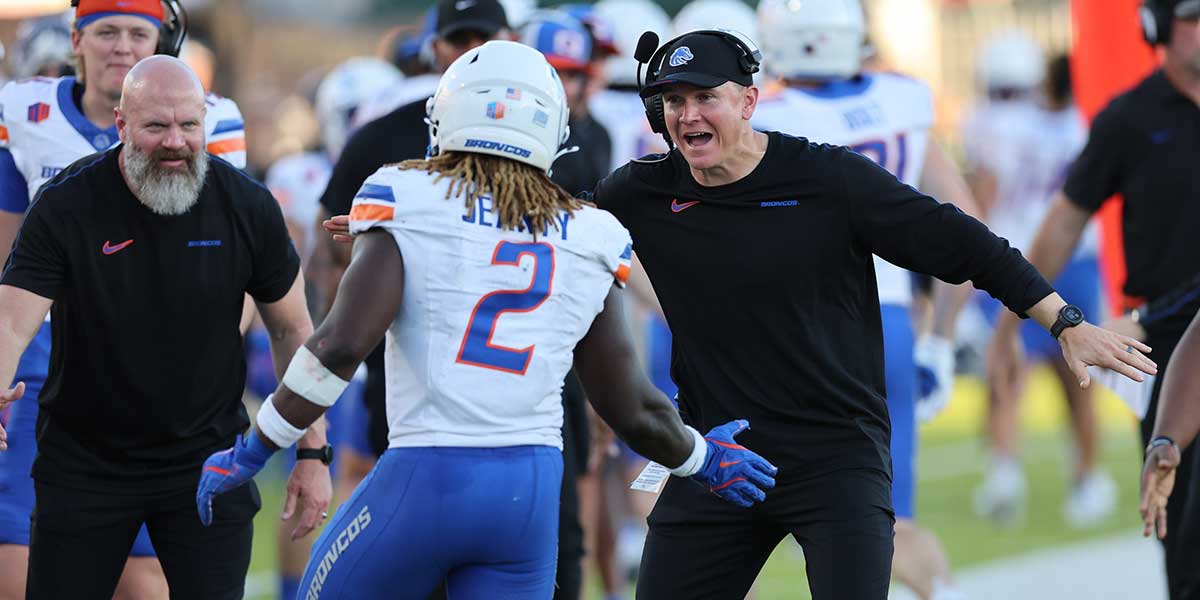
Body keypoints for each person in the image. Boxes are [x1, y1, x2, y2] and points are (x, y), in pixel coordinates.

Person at [581, 28, 1154, 600]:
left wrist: (1065, 321)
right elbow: (554, 231)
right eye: (674, 101)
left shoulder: (827, 178)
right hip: (719, 456)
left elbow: (965, 242)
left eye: (706, 97)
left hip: (834, 455)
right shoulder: (640, 193)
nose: (687, 115)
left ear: (748, 101)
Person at [195, 40, 776, 600]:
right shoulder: (590, 232)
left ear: (446, 116)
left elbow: (341, 347)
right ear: (553, 132)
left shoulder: (407, 194)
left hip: (427, 475)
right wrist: (701, 458)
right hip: (529, 492)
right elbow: (630, 403)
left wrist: (254, 448)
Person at [0, 55, 328, 599]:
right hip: (86, 462)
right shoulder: (67, 205)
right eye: (156, 126)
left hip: (210, 462)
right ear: (122, 126)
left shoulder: (247, 206)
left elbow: (295, 332)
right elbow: (11, 321)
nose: (175, 141)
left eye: (189, 125)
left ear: (206, 124)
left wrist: (313, 452)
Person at [0, 1, 248, 598]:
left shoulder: (210, 117)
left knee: (143, 578)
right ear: (77, 38)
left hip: (164, 381)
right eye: (106, 31)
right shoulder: (24, 110)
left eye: (138, 32)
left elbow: (237, 263)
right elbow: (7, 267)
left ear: (165, 39)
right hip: (45, 372)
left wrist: (202, 368)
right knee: (17, 561)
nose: (122, 46)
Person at [750, 0, 976, 597]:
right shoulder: (900, 100)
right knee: (890, 514)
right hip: (893, 321)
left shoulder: (764, 114)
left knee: (770, 508)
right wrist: (941, 340)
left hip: (806, 332)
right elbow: (965, 225)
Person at [990, 0, 1199, 596]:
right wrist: (1012, 325)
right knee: (1186, 544)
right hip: (1172, 345)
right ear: (1156, 25)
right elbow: (1063, 223)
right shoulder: (1128, 119)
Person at [964, 36, 1115, 528]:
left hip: (1017, 259)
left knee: (1007, 371)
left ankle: (1006, 471)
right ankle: (1087, 478)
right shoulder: (1082, 121)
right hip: (1077, 258)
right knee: (1078, 378)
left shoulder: (992, 124)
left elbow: (981, 197)